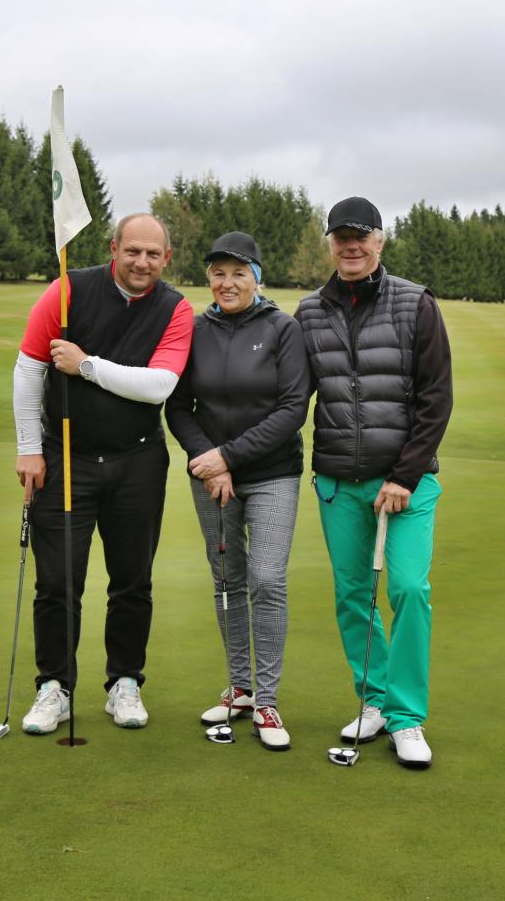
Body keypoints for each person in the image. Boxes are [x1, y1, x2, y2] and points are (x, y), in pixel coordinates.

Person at [12, 213, 193, 734]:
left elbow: (159, 386)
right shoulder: (67, 289)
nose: (142, 262)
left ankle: (125, 683)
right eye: (132, 250)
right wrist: (29, 449)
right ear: (114, 248)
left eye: (153, 254)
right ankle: (54, 687)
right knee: (57, 581)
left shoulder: (175, 308)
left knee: (132, 580)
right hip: (65, 457)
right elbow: (29, 368)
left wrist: (86, 365)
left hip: (138, 460)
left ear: (167, 258)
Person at [295, 196, 453, 769]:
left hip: (407, 483)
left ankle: (407, 718)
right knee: (353, 595)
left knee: (408, 589)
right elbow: (292, 396)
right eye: (341, 238)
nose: (351, 247)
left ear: (380, 242)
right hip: (338, 481)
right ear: (330, 245)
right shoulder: (310, 312)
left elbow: (436, 399)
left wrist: (404, 475)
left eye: (361, 237)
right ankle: (375, 699)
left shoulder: (416, 303)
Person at [166, 231, 310, 751]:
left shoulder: (282, 329)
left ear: (257, 278)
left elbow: (293, 409)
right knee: (227, 579)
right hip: (212, 476)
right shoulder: (196, 329)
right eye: (218, 274)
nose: (227, 283)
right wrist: (210, 462)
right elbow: (177, 405)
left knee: (266, 579)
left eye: (238, 273)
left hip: (271, 473)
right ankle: (241, 689)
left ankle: (267, 700)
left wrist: (228, 456)